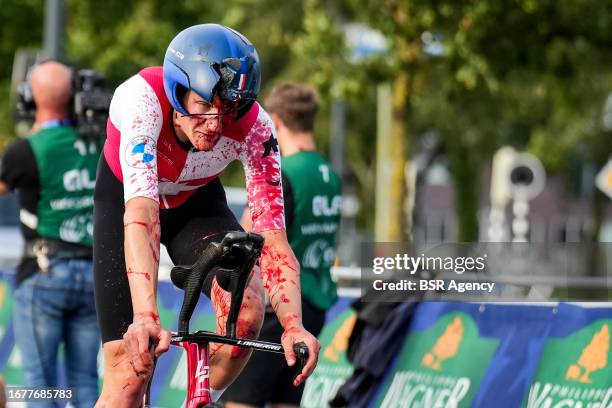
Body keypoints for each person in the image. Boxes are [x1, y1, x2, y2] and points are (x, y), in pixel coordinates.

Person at [93, 24, 321, 407]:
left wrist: (292, 324)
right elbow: (142, 213)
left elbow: (273, 237)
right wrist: (146, 315)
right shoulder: (140, 100)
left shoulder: (256, 127)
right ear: (177, 90)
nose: (216, 124)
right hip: (128, 203)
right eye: (203, 106)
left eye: (229, 108)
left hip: (194, 203)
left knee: (246, 314)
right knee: (129, 372)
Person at [223, 83, 342, 408]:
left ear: (274, 120)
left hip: (280, 306)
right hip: (314, 308)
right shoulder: (329, 174)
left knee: (241, 402)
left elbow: (247, 234)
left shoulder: (282, 172)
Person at [0, 60, 100, 407]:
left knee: (40, 385)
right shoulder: (101, 142)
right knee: (87, 383)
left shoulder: (26, 149)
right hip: (94, 276)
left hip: (44, 273)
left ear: (31, 98)